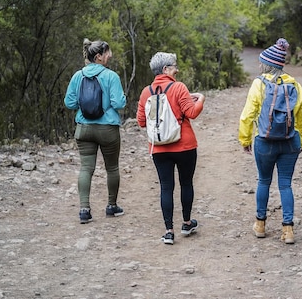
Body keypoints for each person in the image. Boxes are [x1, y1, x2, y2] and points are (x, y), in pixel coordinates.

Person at [239, 38, 302, 244]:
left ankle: (260, 224)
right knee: (285, 184)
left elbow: (248, 114)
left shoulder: (259, 84)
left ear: (266, 64)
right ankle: (288, 230)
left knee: (264, 181)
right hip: (290, 141)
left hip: (265, 141)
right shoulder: (294, 83)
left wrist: (245, 138)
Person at [136, 52, 206, 245]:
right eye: (174, 66)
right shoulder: (179, 87)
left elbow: (141, 122)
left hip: (159, 148)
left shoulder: (146, 92)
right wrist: (201, 98)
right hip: (185, 145)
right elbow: (191, 113)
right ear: (166, 69)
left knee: (166, 187)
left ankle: (168, 231)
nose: (177, 69)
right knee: (186, 183)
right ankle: (186, 223)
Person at [64, 39, 127, 224]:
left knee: (86, 168)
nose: (110, 55)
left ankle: (84, 210)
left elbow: (69, 103)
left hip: (84, 129)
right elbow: (119, 103)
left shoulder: (78, 76)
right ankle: (111, 206)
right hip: (107, 129)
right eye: (108, 53)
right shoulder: (111, 76)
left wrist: (84, 106)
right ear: (98, 56)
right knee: (112, 168)